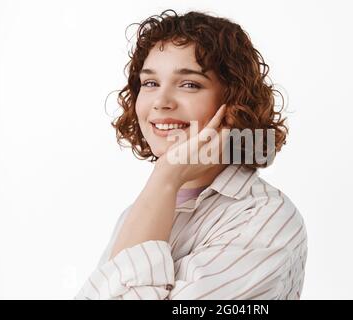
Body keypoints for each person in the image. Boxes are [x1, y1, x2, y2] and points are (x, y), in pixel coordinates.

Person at [75, 9, 308, 300]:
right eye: (150, 83)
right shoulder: (140, 210)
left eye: (189, 84)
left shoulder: (265, 218)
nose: (160, 101)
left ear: (234, 102)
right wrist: (165, 180)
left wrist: (165, 176)